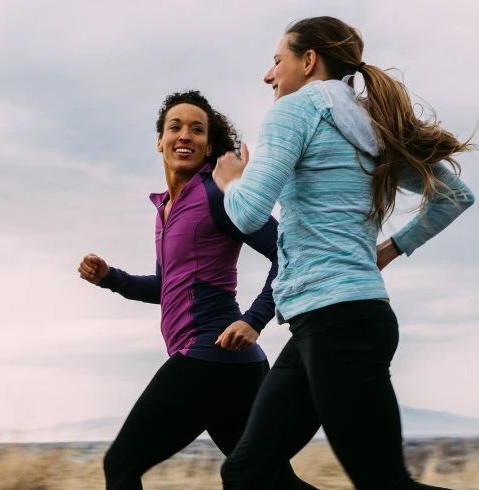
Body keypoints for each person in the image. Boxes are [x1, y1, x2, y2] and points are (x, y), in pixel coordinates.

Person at [213, 16, 477, 490]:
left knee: (384, 483)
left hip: (337, 324)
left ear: (309, 61)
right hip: (327, 322)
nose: (268, 75)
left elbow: (249, 214)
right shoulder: (372, 123)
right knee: (246, 472)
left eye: (277, 61)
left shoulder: (294, 111)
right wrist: (390, 250)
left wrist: (231, 182)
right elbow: (455, 196)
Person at [77, 90, 314, 490]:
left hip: (209, 356)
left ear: (208, 146)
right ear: (160, 141)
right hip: (234, 368)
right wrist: (110, 278)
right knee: (268, 482)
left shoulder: (217, 196)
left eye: (197, 129)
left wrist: (254, 320)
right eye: (175, 127)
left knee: (120, 465)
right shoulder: (166, 210)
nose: (185, 135)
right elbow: (167, 287)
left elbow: (290, 252)